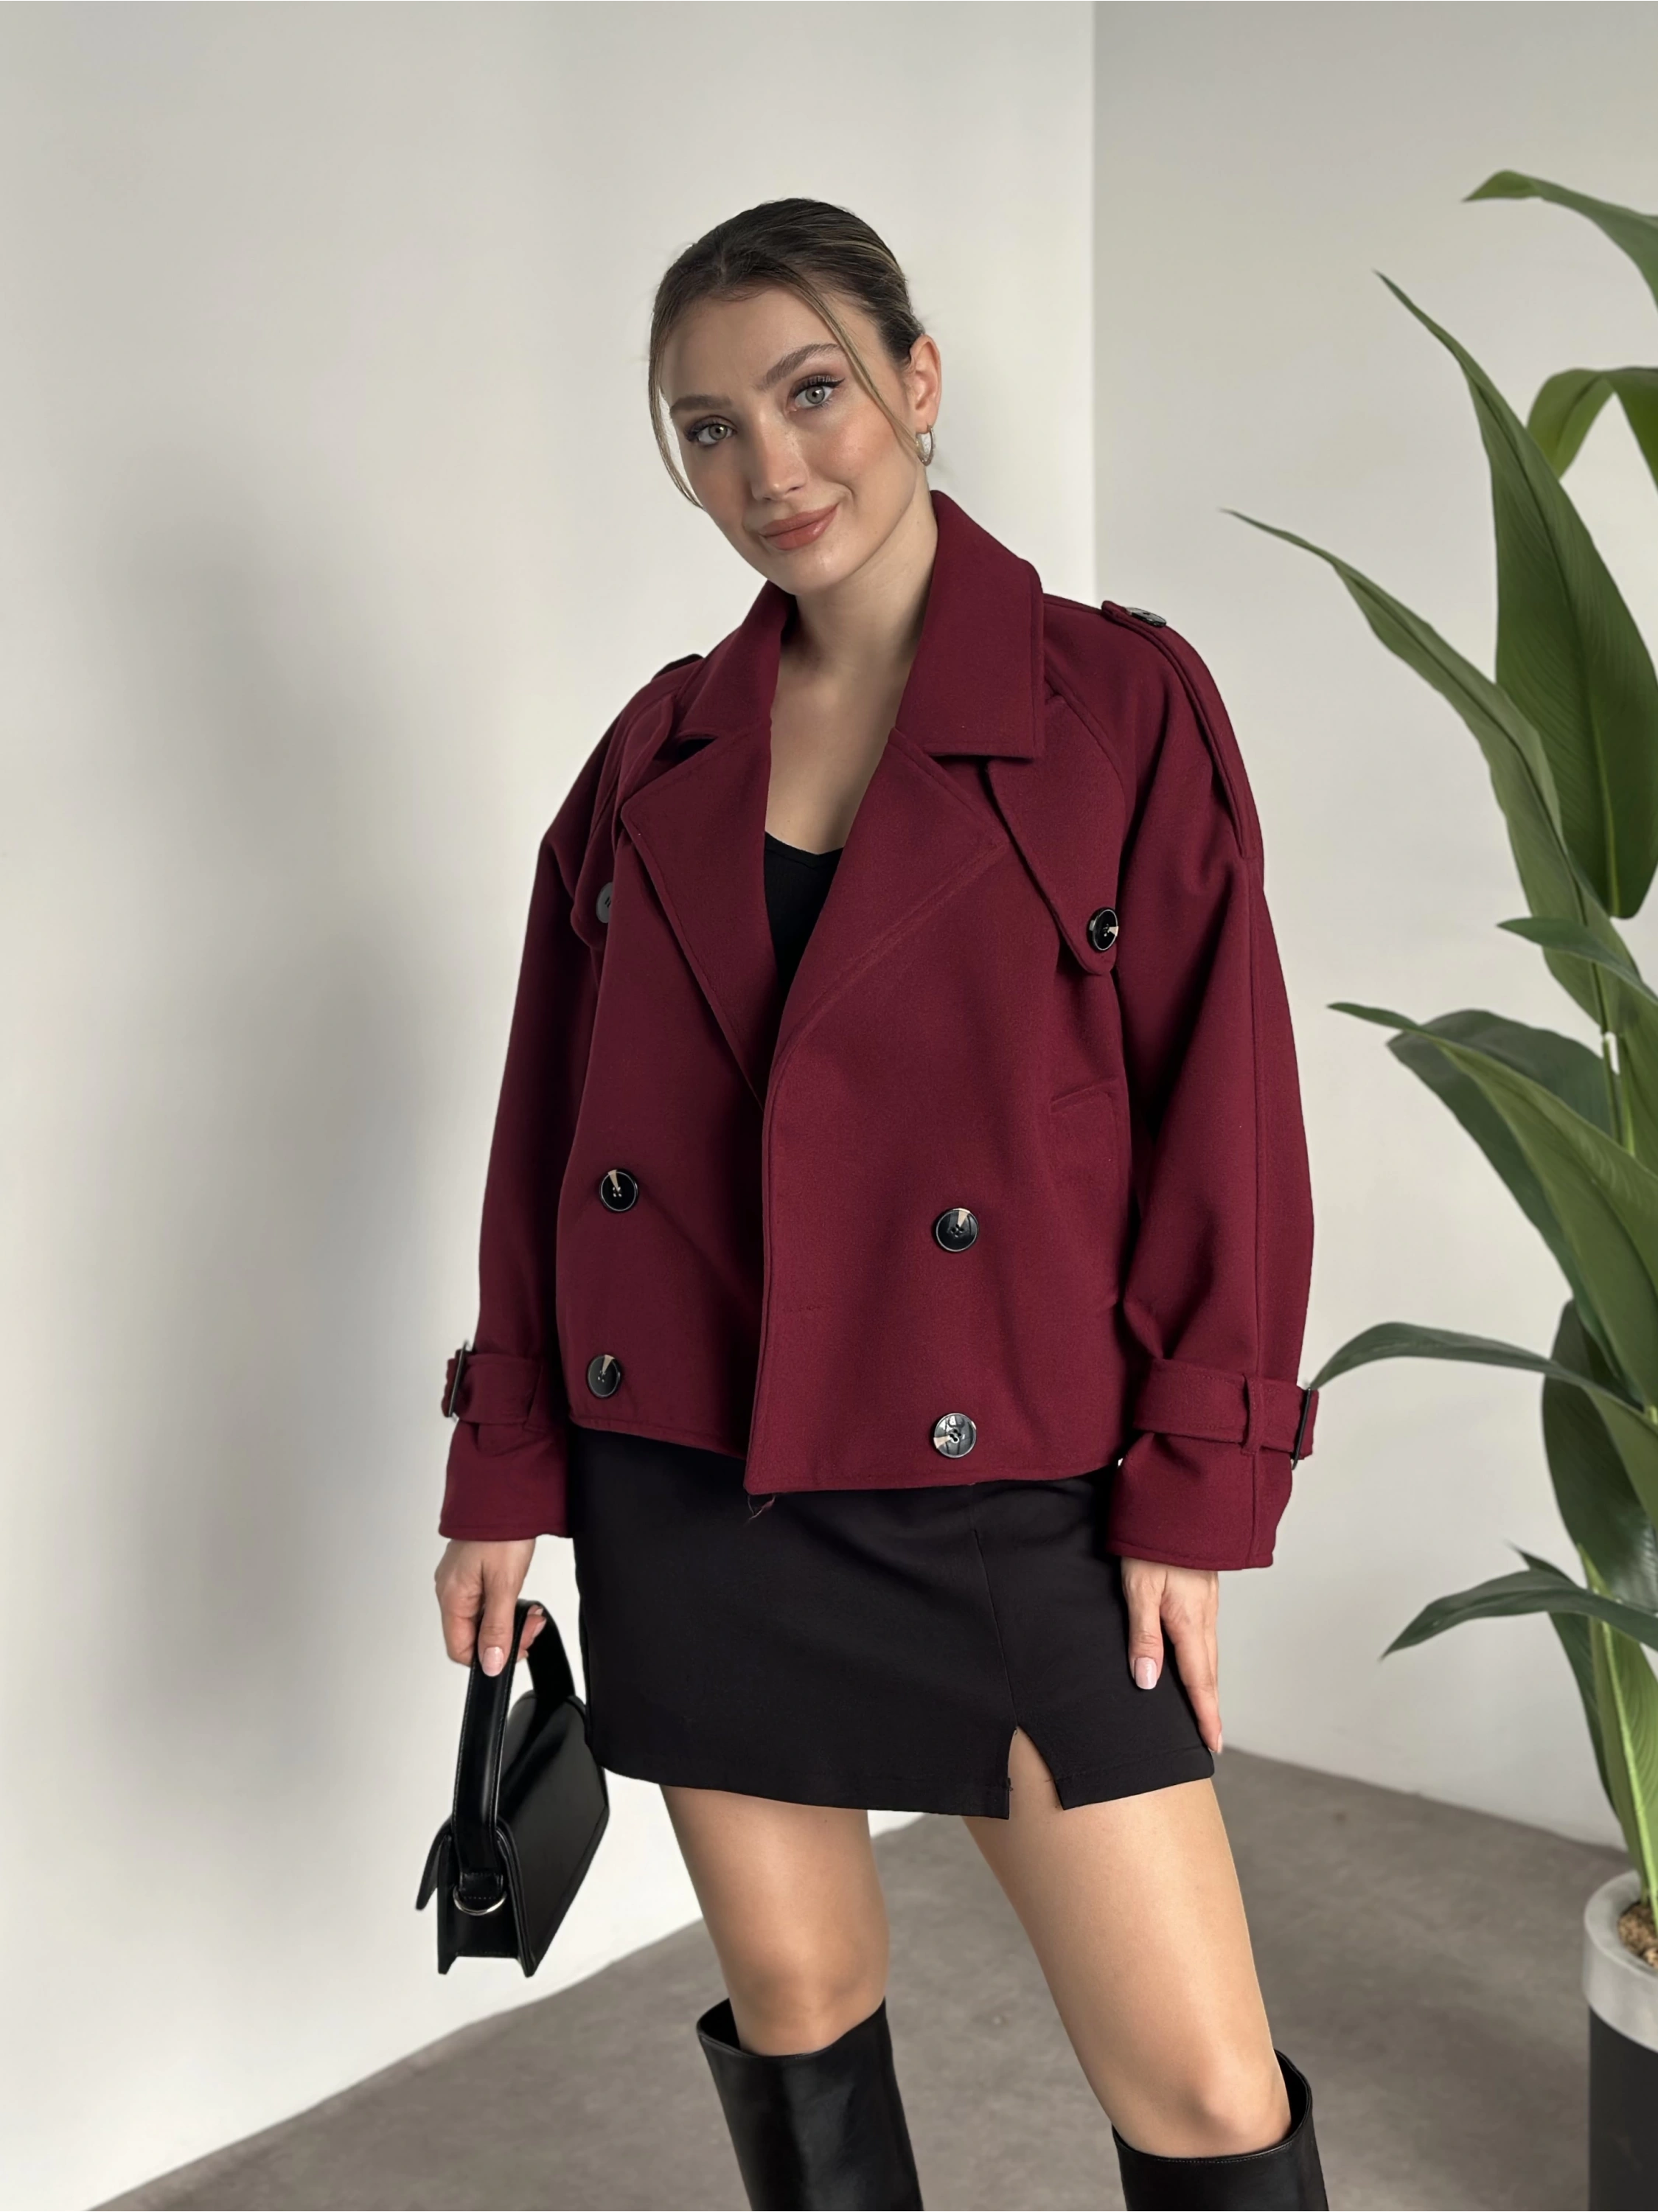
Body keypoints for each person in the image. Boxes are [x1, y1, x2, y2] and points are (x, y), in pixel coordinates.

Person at [433, 198, 1328, 2212]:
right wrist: (506, 1469)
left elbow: (1232, 1119)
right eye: (709, 429)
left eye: (812, 392)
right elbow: (549, 1133)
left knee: (1203, 2091)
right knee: (800, 1998)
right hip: (693, 1475)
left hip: (1008, 1486)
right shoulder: (654, 750)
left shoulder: (1120, 705)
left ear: (919, 383)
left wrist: (1192, 1490)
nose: (771, 466)